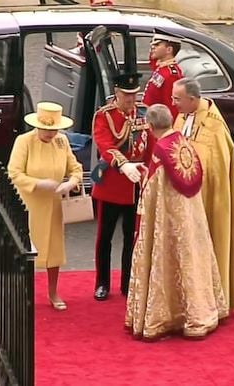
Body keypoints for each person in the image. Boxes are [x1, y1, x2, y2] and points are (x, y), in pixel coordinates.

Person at [125, 104, 228, 340]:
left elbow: (153, 192)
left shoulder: (161, 151)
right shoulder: (183, 142)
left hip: (169, 222)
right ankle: (202, 312)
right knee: (192, 260)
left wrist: (142, 179)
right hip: (191, 217)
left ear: (150, 127)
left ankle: (165, 318)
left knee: (168, 262)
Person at [172, 77, 234, 310]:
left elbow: (215, 170)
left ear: (193, 99)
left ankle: (213, 300)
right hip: (182, 198)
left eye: (177, 99)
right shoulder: (183, 116)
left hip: (206, 201)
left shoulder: (213, 126)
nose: (173, 103)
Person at [7, 102, 83, 311]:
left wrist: (70, 182)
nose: (51, 134)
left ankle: (53, 291)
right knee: (27, 249)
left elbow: (76, 168)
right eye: (47, 130)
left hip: (54, 203)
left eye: (54, 130)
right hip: (29, 203)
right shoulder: (24, 141)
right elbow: (14, 173)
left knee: (54, 250)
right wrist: (39, 183)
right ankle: (23, 291)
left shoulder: (62, 141)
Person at [91, 73, 155, 301]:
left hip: (136, 184)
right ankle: (102, 283)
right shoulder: (104, 116)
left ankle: (128, 282)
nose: (131, 99)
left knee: (132, 236)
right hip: (112, 183)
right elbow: (105, 146)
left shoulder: (144, 113)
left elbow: (151, 145)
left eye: (134, 94)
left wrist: (149, 171)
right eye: (126, 95)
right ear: (116, 93)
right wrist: (124, 164)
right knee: (105, 237)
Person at [142, 29, 184, 121]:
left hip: (159, 124)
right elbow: (152, 60)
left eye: (157, 45)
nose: (153, 47)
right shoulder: (161, 67)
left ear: (169, 49)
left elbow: (172, 107)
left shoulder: (171, 74)